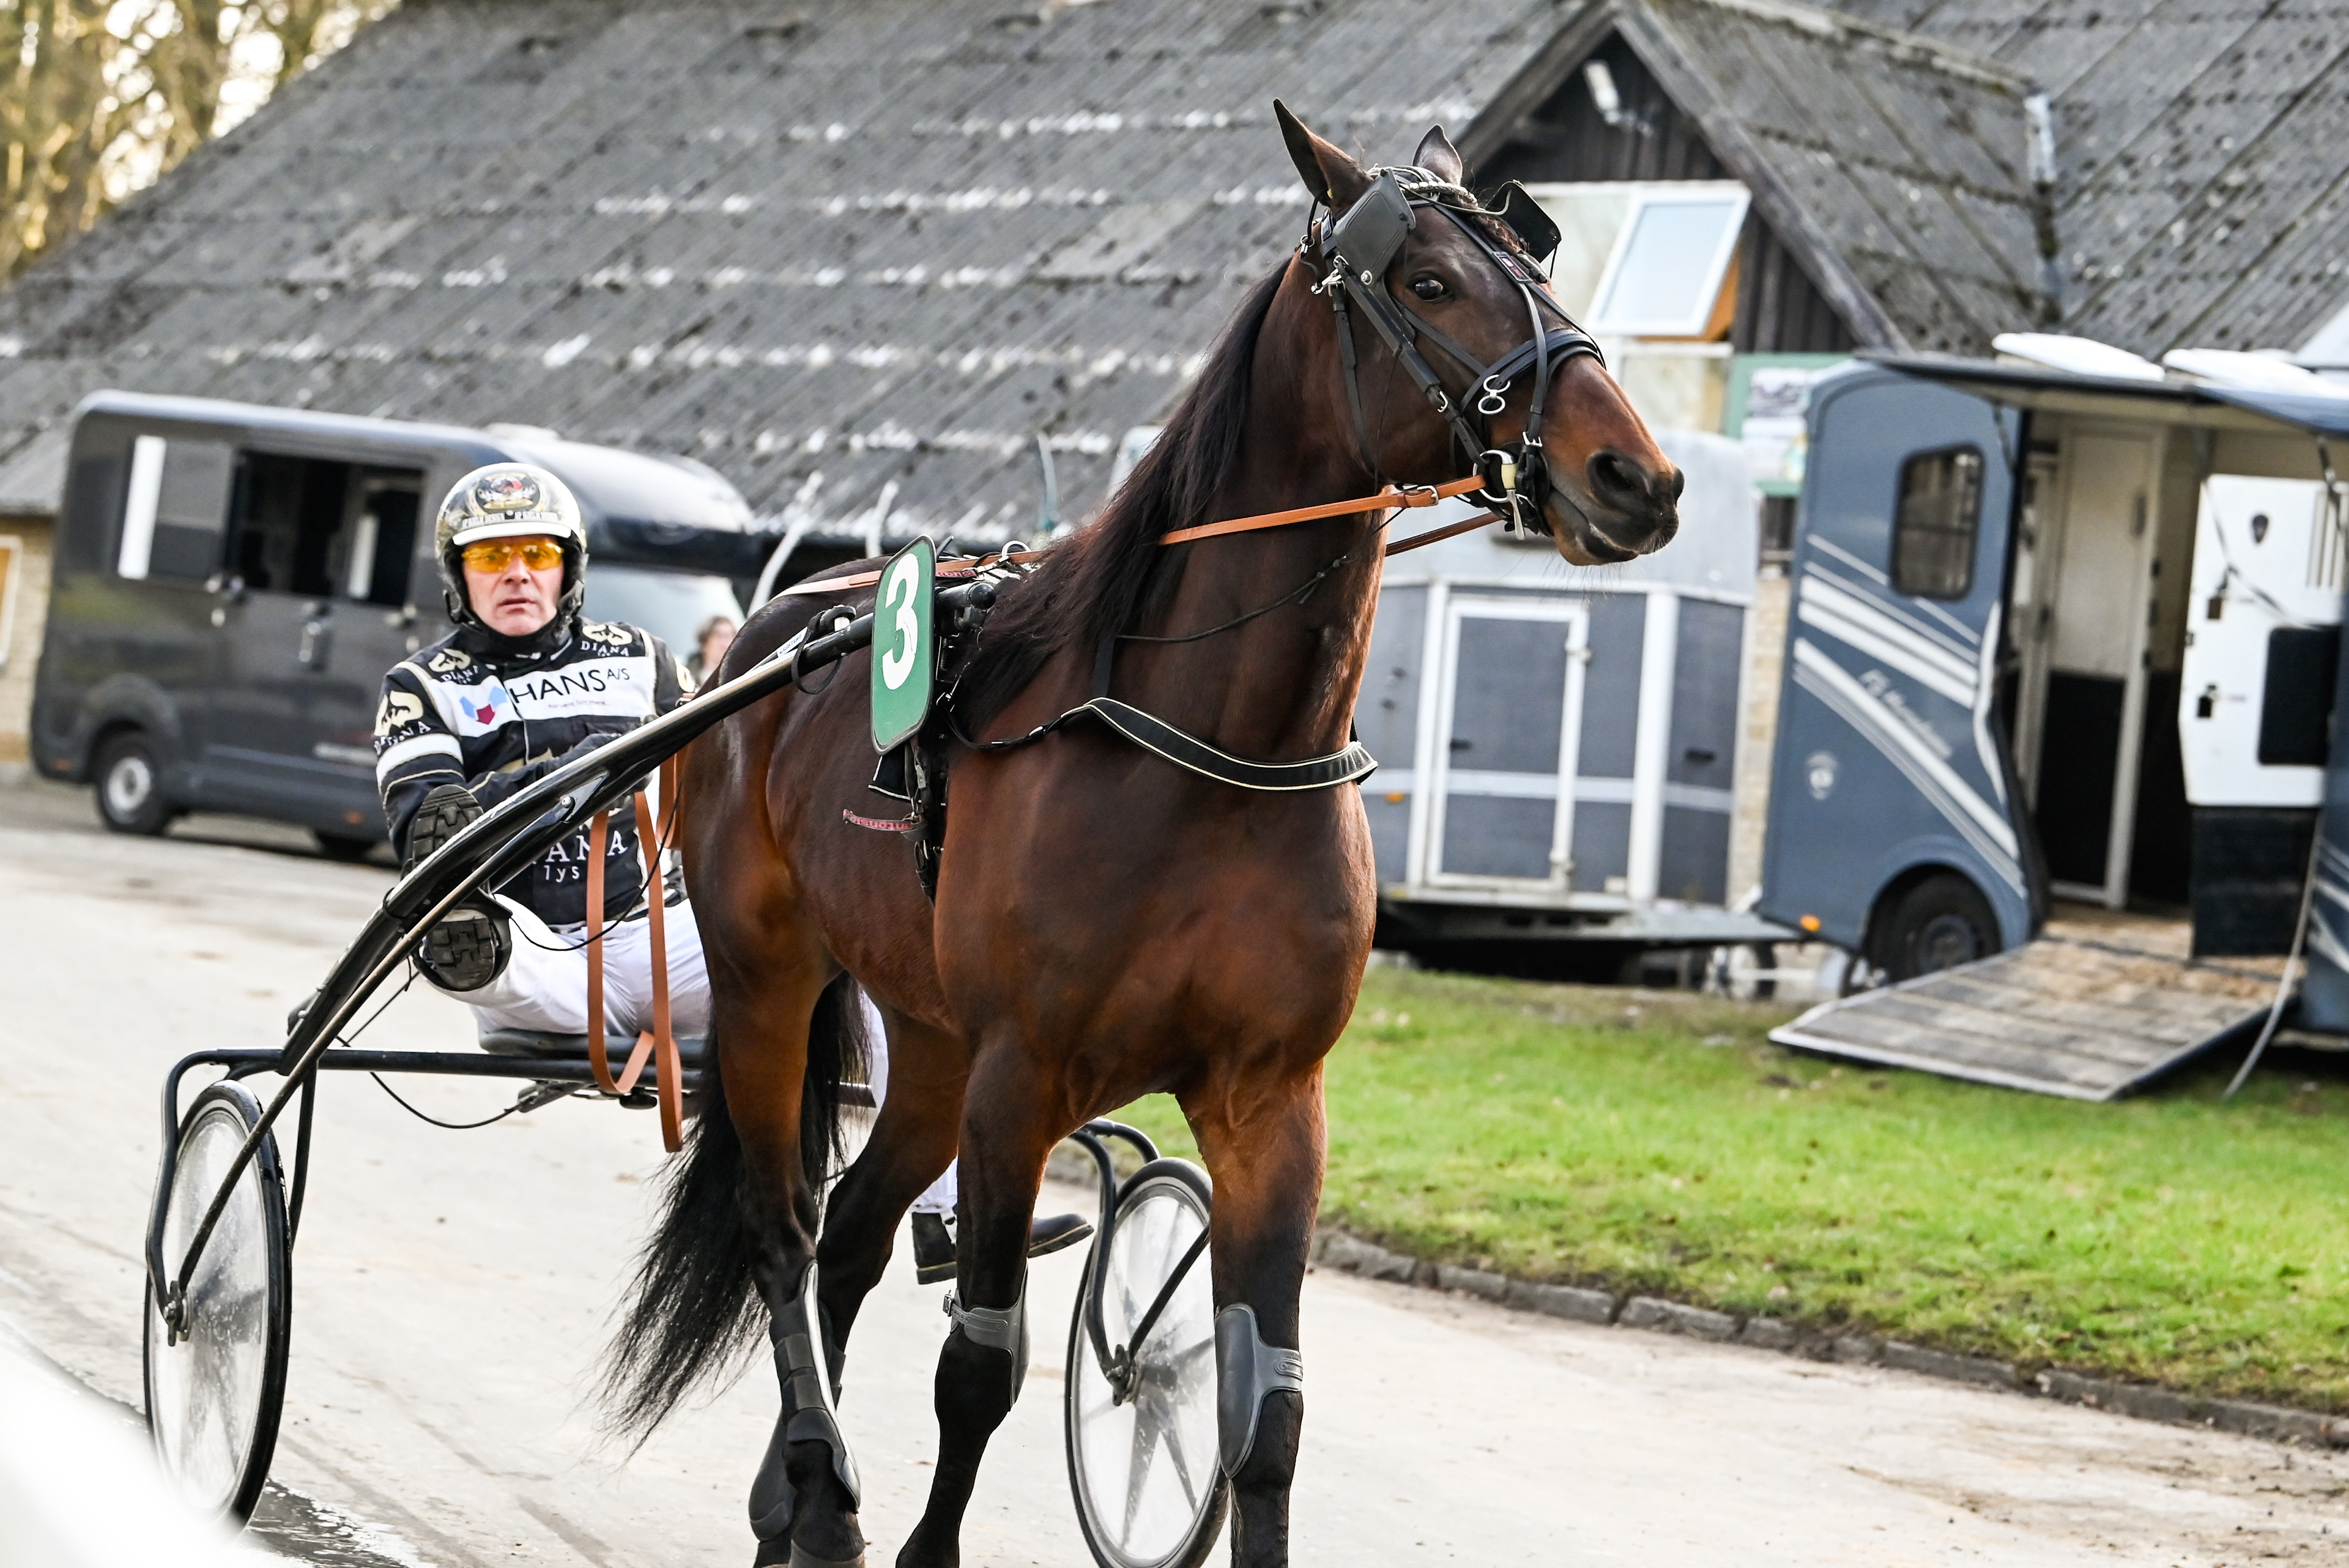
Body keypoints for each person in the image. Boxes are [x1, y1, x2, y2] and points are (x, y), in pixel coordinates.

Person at [375, 461, 1083, 1276]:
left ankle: (943, 1212)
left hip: (664, 934)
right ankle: (473, 953)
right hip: (542, 953)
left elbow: (724, 779)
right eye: (491, 557)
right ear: (459, 575)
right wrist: (553, 781)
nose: (517, 574)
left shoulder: (641, 658)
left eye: (536, 553)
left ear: (568, 566)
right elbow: (426, 822)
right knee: (471, 932)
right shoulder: (422, 686)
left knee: (873, 956)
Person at [691, 614, 737, 685]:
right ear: (705, 642)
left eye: (733, 636)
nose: (728, 644)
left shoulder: (742, 673)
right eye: (721, 636)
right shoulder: (690, 680)